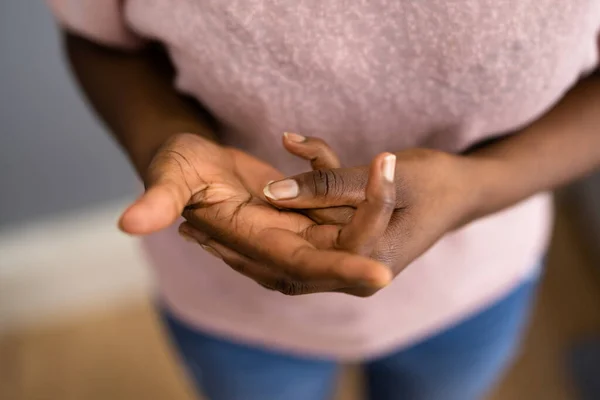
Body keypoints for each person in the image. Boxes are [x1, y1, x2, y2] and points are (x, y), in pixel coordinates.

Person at [47, 1, 600, 399]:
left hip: (476, 282)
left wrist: (482, 185)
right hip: (228, 297)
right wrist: (166, 137)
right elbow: (98, 38)